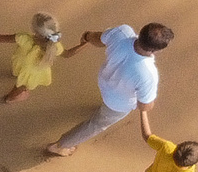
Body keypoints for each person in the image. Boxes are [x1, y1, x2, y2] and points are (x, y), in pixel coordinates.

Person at [46, 20, 171, 156]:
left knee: (102, 111)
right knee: (95, 125)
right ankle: (60, 145)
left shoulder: (122, 33)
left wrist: (87, 36)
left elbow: (97, 38)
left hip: (104, 81)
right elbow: (145, 105)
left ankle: (99, 111)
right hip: (117, 104)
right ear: (156, 50)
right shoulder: (149, 74)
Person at [0, 12, 62, 102]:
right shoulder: (55, 46)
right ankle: (11, 97)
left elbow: (0, 38)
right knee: (21, 86)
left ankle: (9, 98)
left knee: (20, 85)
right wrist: (78, 47)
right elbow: (67, 54)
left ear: (35, 31)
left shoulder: (24, 38)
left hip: (23, 66)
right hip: (33, 72)